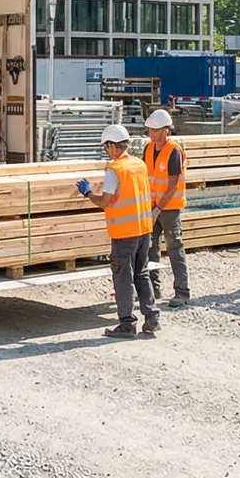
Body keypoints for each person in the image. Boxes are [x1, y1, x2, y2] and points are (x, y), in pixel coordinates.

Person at [77, 124, 158, 338]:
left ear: (112, 146)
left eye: (106, 147)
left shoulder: (114, 170)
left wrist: (88, 193)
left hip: (124, 233)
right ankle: (152, 317)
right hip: (144, 230)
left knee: (123, 278)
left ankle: (127, 324)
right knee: (142, 274)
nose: (107, 151)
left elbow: (104, 202)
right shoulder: (139, 164)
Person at [142, 108, 190, 307]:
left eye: (155, 130)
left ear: (165, 130)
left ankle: (182, 292)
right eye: (150, 130)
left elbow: (173, 185)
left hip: (169, 208)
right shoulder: (148, 149)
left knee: (174, 248)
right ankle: (153, 289)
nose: (152, 134)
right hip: (152, 205)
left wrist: (158, 208)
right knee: (150, 248)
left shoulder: (173, 151)